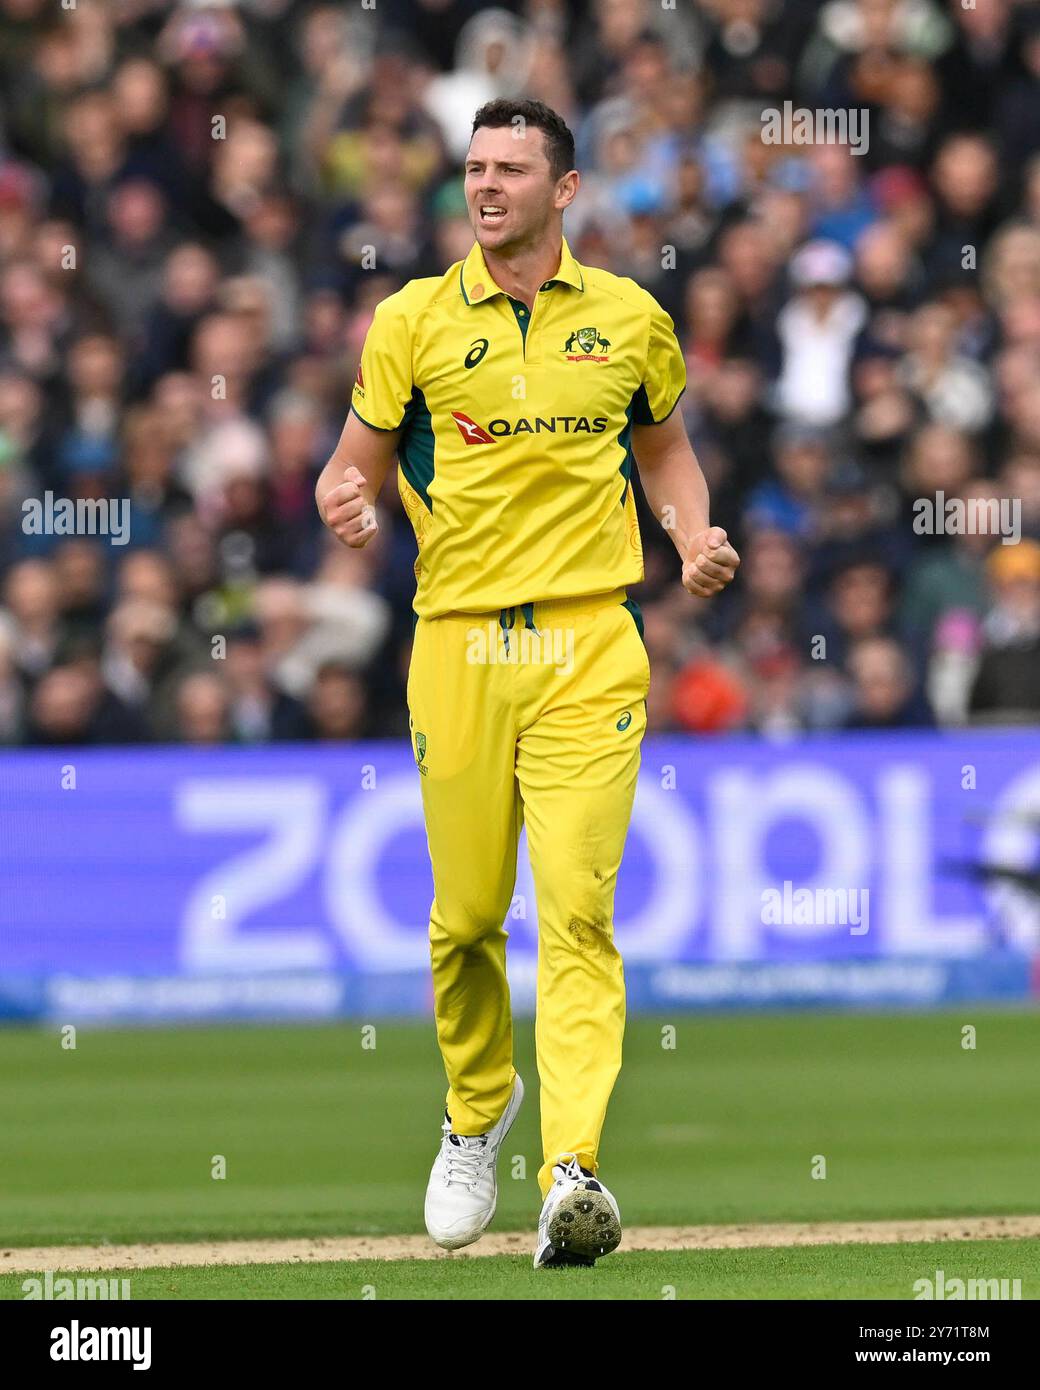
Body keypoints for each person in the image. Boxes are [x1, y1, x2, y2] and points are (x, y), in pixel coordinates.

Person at [314, 98, 740, 1269]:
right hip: (454, 643)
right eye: (473, 167)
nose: (484, 184)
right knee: (461, 923)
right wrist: (342, 507)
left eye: (510, 168)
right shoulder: (408, 323)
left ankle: (572, 1172)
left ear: (564, 190)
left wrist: (691, 536)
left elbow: (664, 454)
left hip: (586, 642)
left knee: (578, 911)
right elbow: (344, 473)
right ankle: (473, 1113)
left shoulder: (630, 319)